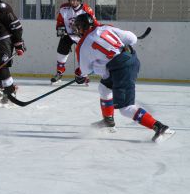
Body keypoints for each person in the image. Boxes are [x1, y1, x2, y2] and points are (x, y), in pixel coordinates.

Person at [73, 13, 175, 142]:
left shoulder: (82, 45)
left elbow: (85, 70)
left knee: (126, 109)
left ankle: (160, 127)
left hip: (122, 69)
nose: (77, 30)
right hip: (128, 61)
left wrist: (80, 75)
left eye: (78, 27)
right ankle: (108, 121)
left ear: (82, 27)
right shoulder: (105, 28)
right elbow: (132, 39)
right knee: (104, 88)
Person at [50, 0, 99, 84]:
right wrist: (60, 28)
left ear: (80, 1)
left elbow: (94, 23)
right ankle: (59, 73)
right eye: (72, 0)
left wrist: (96, 31)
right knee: (61, 51)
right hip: (68, 35)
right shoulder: (64, 8)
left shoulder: (86, 9)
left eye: (76, 0)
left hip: (82, 36)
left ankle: (84, 75)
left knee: (83, 55)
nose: (74, 2)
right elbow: (60, 20)